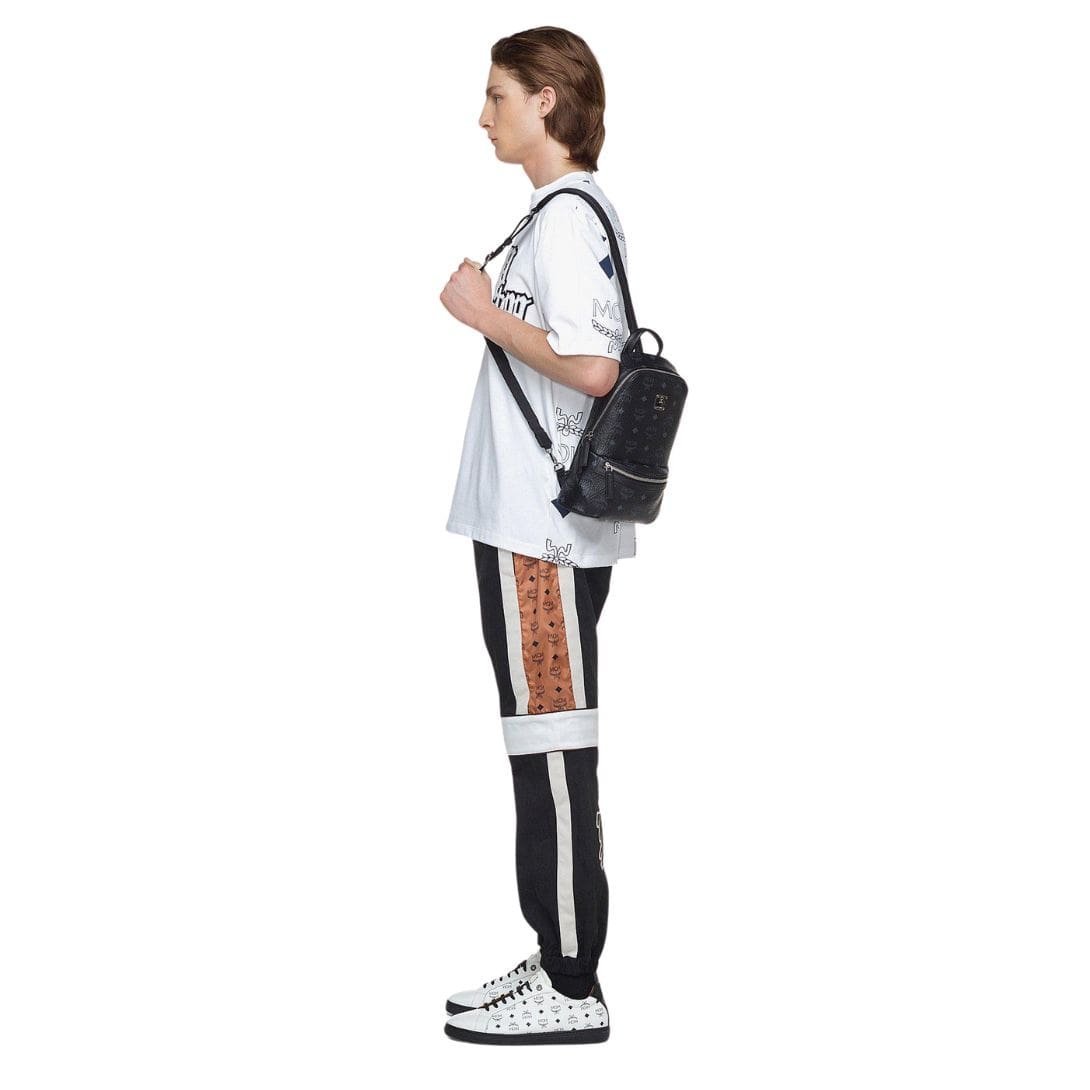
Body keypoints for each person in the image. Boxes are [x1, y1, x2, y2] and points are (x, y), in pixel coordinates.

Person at [438, 27, 632, 1046]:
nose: (484, 116)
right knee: (541, 740)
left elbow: (594, 368)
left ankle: (569, 977)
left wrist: (481, 312)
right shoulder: (561, 213)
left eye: (498, 96)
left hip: (537, 537)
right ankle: (556, 947)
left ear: (545, 101)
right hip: (531, 533)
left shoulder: (564, 220)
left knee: (551, 747)